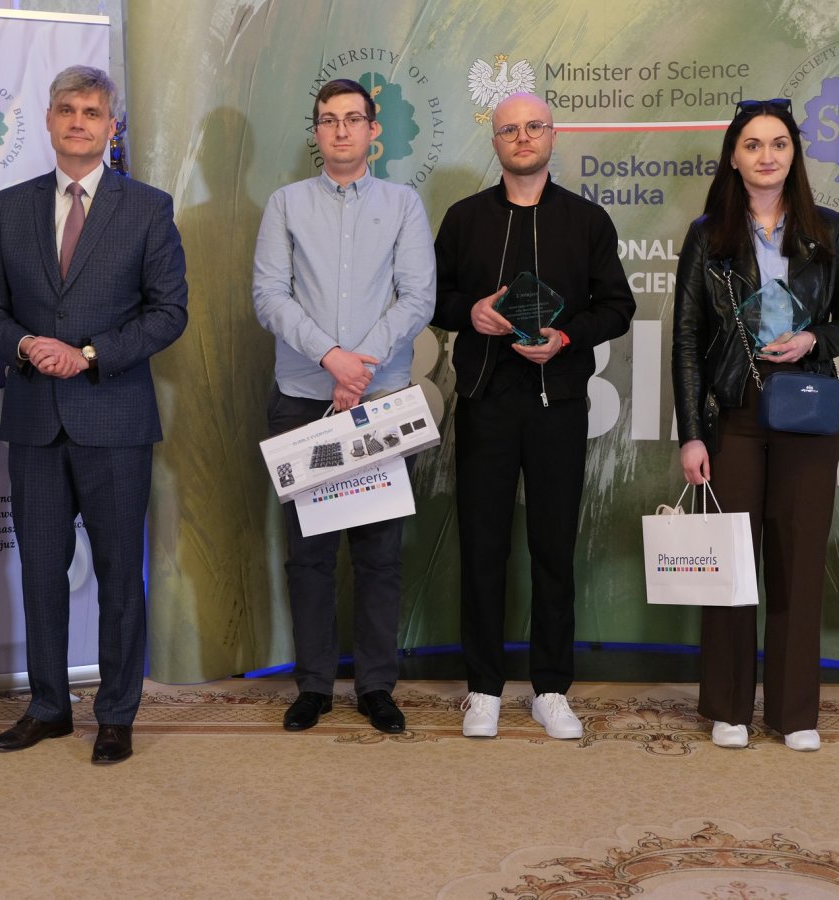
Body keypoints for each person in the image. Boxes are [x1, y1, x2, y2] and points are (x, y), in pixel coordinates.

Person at [0, 66, 188, 765]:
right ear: (48, 119)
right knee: (41, 572)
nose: (78, 122)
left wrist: (90, 354)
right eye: (67, 109)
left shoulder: (147, 208)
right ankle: (48, 707)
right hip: (34, 421)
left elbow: (169, 313)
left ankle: (117, 714)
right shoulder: (11, 207)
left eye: (92, 112)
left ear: (110, 126)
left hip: (115, 419)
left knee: (122, 576)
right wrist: (25, 344)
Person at [672, 98, 839, 751]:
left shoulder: (826, 229)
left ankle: (793, 714)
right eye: (753, 145)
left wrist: (813, 338)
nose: (767, 156)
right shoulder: (708, 236)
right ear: (733, 157)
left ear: (794, 154)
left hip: (805, 410)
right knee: (733, 563)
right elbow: (686, 339)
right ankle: (728, 708)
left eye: (779, 144)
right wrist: (692, 434)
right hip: (734, 412)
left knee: (799, 560)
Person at [433, 93, 635, 740]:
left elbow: (618, 307)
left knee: (553, 548)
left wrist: (567, 337)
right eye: (509, 130)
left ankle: (551, 688)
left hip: (558, 407)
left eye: (534, 127)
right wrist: (471, 313)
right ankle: (483, 689)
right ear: (494, 142)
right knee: (482, 548)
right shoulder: (465, 218)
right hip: (485, 402)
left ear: (552, 135)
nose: (522, 138)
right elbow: (432, 297)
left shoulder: (586, 220)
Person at [253, 78, 434, 734]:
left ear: (372, 130)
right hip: (303, 401)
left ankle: (377, 685)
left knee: (379, 554)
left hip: (379, 401)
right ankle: (314, 685)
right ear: (317, 131)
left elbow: (418, 297)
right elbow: (269, 296)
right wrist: (331, 357)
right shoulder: (285, 204)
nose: (340, 130)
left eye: (352, 119)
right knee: (309, 555)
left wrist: (360, 367)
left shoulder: (403, 204)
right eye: (328, 119)